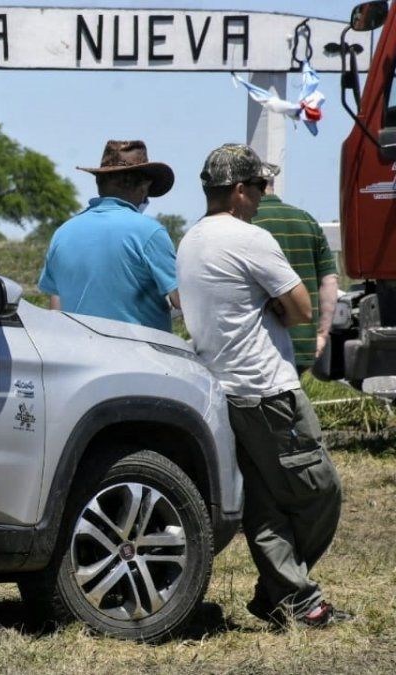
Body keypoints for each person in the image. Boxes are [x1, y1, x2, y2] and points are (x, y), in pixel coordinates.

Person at [176, 143, 349, 627]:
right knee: (320, 491)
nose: (260, 194)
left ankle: (293, 600)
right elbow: (300, 308)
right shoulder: (249, 237)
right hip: (268, 389)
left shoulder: (191, 238)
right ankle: (287, 592)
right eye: (256, 186)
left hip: (226, 389)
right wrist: (273, 305)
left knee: (266, 503)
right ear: (237, 191)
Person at [38, 139, 181, 332]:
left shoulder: (62, 233)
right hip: (138, 358)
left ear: (99, 182)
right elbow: (181, 300)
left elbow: (57, 308)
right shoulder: (150, 232)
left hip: (77, 356)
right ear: (143, 186)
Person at [253, 180, 339, 374]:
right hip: (303, 344)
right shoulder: (306, 220)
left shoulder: (247, 221)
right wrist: (322, 335)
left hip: (261, 346)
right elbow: (329, 281)